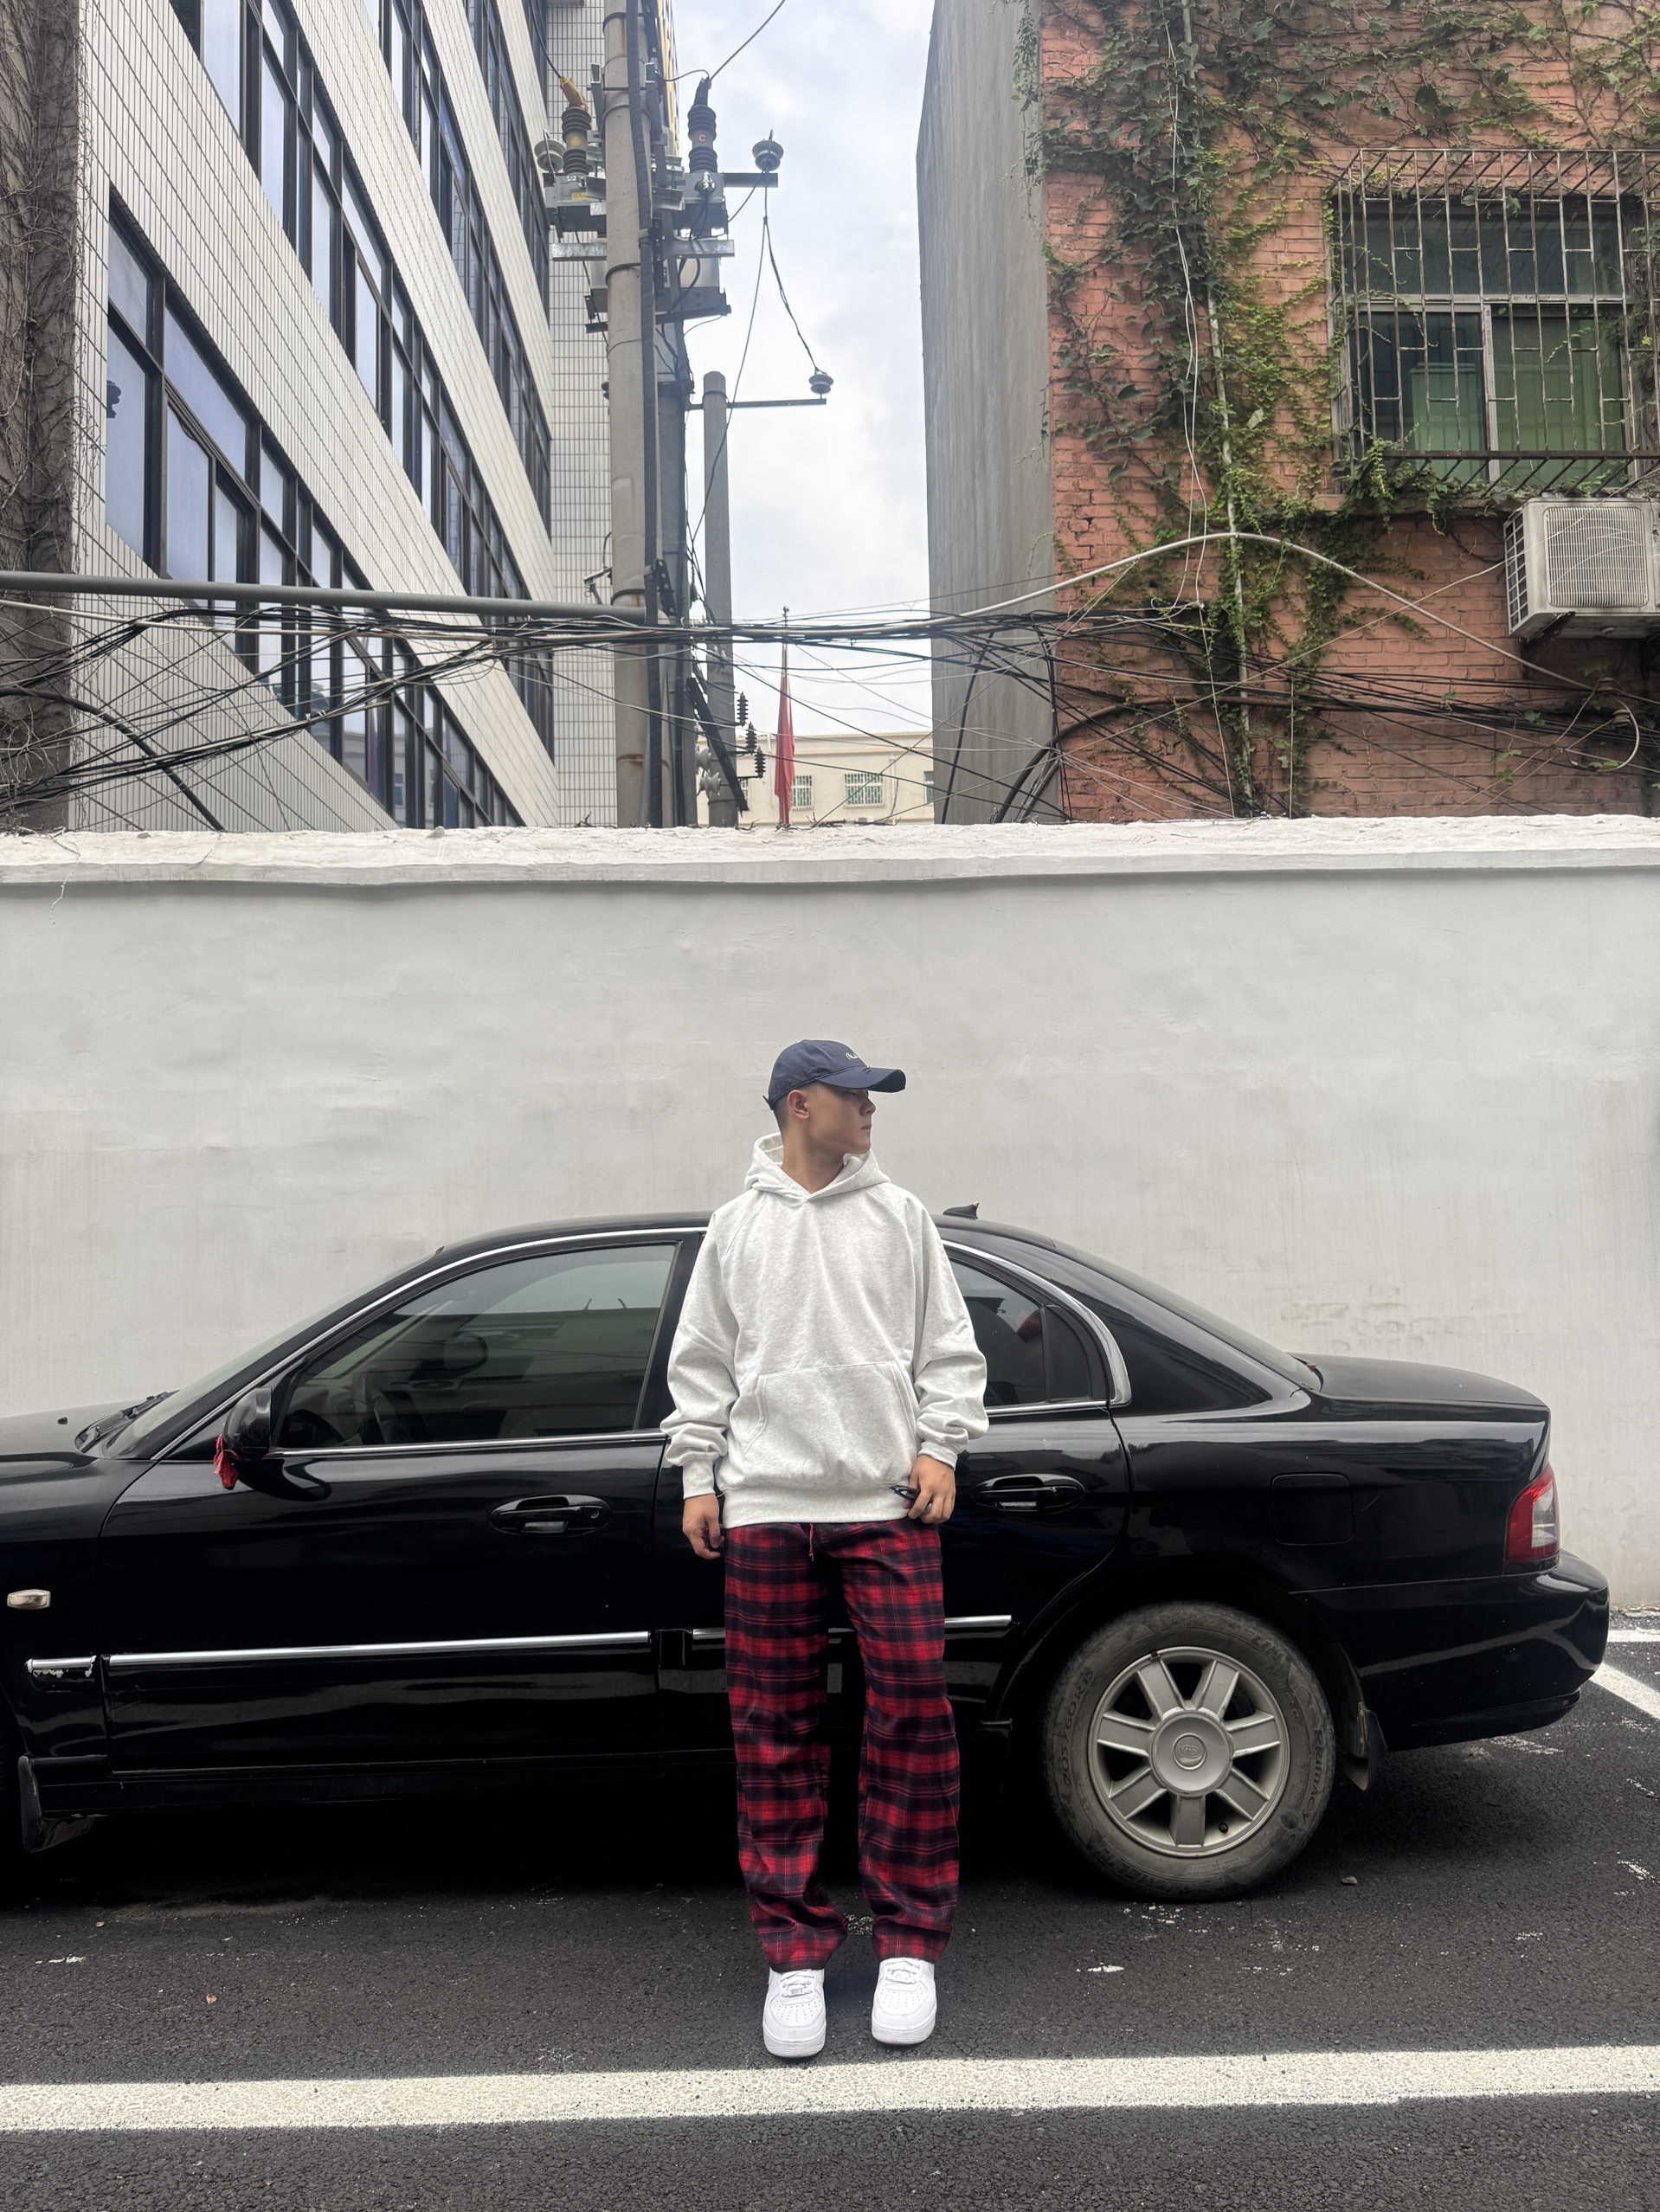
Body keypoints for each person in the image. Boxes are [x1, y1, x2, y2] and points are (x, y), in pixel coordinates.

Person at [664, 1040, 989, 2060]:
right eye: (855, 1095)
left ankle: (908, 1946)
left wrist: (940, 1447)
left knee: (913, 1720)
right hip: (765, 1505)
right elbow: (702, 1360)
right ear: (800, 1104)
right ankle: (794, 1956)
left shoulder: (901, 1217)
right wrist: (699, 1473)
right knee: (773, 1732)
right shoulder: (736, 1226)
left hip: (884, 1504)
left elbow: (949, 1348)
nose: (870, 1109)